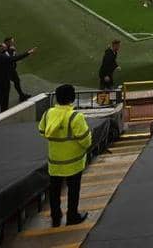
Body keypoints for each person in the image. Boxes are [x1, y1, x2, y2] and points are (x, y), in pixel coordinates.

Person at [39, 84, 91, 227]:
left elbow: (42, 131)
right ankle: (72, 216)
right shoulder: (75, 116)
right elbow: (86, 140)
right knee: (73, 190)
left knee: (54, 191)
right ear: (72, 98)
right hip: (74, 163)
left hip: (55, 162)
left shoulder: (49, 113)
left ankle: (56, 217)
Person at [0, 43, 35, 115]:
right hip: (4, 80)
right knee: (4, 97)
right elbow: (14, 59)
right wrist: (28, 53)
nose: (5, 49)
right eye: (4, 48)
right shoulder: (3, 57)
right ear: (0, 49)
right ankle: (4, 113)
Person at [5, 37, 32, 102]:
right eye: (11, 42)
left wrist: (12, 50)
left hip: (11, 69)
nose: (13, 43)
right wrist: (27, 53)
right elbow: (12, 59)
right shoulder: (6, 50)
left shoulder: (10, 48)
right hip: (7, 70)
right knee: (7, 85)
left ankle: (21, 95)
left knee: (16, 81)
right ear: (7, 42)